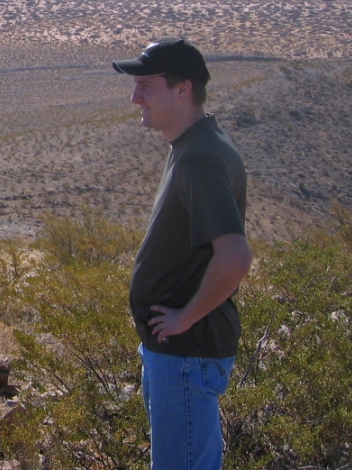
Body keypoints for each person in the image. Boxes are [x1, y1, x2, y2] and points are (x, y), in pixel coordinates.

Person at [112, 37, 253, 470]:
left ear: (182, 89)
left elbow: (234, 256)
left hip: (186, 352)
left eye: (146, 86)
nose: (135, 97)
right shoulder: (195, 143)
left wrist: (185, 318)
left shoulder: (199, 158)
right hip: (175, 351)